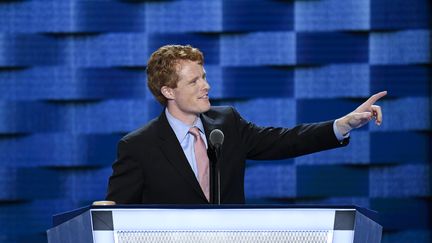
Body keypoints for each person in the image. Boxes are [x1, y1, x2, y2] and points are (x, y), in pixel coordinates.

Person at [106, 44, 386, 204]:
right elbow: (117, 218)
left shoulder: (226, 122)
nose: (207, 86)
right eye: (194, 81)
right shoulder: (138, 147)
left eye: (203, 76)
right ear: (168, 91)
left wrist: (344, 123)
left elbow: (286, 140)